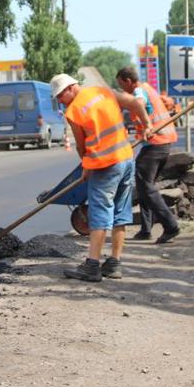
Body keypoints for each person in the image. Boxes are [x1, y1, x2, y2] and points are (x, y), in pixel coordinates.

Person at [51, 73, 135, 282]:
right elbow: (131, 104)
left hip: (105, 165)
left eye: (60, 96)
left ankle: (92, 266)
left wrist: (86, 166)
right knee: (120, 210)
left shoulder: (74, 110)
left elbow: (81, 145)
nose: (60, 101)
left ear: (70, 88)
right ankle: (115, 263)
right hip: (126, 158)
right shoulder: (102, 91)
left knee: (99, 212)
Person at [116, 67, 181, 244]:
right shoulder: (148, 87)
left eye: (121, 85)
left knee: (146, 186)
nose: (122, 89)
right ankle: (146, 229)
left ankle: (170, 226)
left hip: (155, 142)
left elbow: (138, 103)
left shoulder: (138, 91)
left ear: (128, 81)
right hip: (162, 143)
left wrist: (124, 104)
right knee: (146, 185)